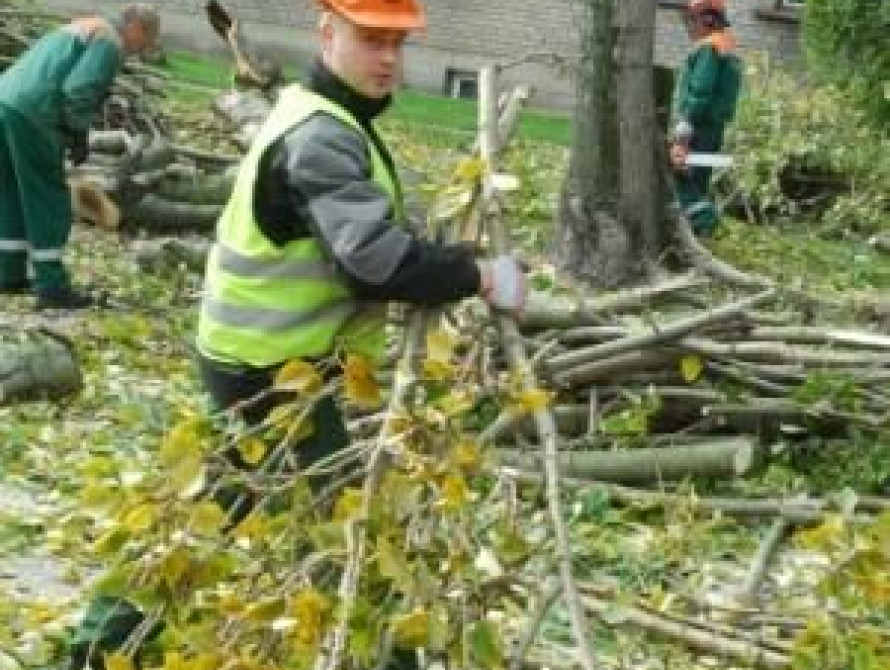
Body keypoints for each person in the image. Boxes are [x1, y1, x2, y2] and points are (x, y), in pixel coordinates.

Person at [64, 0, 524, 667]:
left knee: (207, 508)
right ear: (327, 32)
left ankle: (96, 648)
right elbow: (372, 260)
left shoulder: (333, 117)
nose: (388, 59)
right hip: (273, 372)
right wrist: (479, 276)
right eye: (371, 41)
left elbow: (361, 234)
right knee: (352, 536)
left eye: (397, 43)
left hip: (259, 361)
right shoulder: (322, 134)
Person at [0, 4, 160, 309]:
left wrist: (79, 133)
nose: (143, 50)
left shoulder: (84, 25)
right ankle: (52, 287)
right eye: (148, 40)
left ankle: (7, 274)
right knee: (46, 196)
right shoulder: (109, 42)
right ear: (137, 28)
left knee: (10, 192)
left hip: (5, 100)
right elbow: (79, 90)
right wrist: (76, 133)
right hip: (35, 114)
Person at [669, 0, 742, 237]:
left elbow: (700, 91)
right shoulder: (725, 47)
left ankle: (704, 223)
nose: (689, 26)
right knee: (698, 181)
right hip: (712, 128)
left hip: (698, 127)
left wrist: (684, 128)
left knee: (683, 176)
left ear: (708, 20)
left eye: (692, 20)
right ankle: (698, 232)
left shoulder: (709, 49)